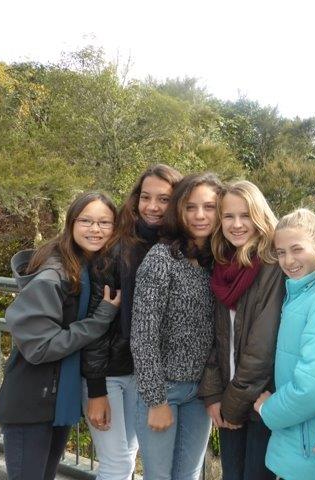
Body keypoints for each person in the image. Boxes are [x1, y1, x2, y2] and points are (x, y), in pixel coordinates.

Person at [0, 192, 121, 480]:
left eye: (104, 222)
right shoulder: (54, 275)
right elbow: (40, 347)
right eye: (86, 221)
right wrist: (100, 319)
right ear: (71, 223)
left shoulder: (86, 267)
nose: (95, 229)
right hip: (31, 403)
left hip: (55, 399)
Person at [81, 164, 182, 479]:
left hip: (144, 374)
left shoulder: (178, 248)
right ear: (136, 199)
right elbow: (96, 325)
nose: (152, 207)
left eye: (163, 199)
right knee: (117, 465)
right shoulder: (116, 248)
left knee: (128, 457)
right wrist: (96, 390)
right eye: (145, 197)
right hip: (109, 373)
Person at [130, 173, 221, 479]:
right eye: (191, 207)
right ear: (179, 210)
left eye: (209, 207)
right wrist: (156, 400)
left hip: (200, 392)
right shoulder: (162, 258)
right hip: (164, 389)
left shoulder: (217, 263)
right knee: (159, 476)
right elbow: (143, 336)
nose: (199, 215)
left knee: (189, 475)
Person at [253, 208, 315, 480]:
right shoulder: (300, 294)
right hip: (299, 446)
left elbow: (314, 387)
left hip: (312, 452)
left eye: (297, 249)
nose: (288, 260)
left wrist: (268, 410)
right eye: (281, 252)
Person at [200, 180, 285, 480]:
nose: (237, 224)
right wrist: (213, 394)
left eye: (245, 215)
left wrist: (232, 405)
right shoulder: (222, 266)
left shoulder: (273, 265)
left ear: (259, 216)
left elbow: (263, 347)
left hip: (261, 400)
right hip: (228, 396)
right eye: (228, 216)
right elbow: (215, 337)